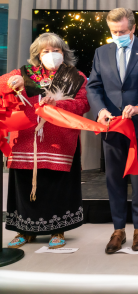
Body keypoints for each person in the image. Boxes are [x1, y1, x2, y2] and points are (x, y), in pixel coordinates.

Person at [87, 8, 138, 254]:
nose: (117, 35)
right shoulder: (102, 52)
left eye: (121, 31)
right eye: (113, 31)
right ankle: (118, 229)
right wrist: (99, 110)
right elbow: (94, 86)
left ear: (132, 28)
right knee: (114, 180)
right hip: (111, 127)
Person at [2, 33, 88, 249]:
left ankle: (57, 230)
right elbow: (3, 85)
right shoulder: (23, 72)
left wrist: (58, 105)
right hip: (25, 140)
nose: (51, 55)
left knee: (56, 184)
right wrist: (13, 83)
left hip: (60, 140)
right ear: (38, 55)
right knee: (23, 184)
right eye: (46, 51)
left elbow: (83, 105)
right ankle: (24, 230)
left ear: (64, 53)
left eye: (56, 50)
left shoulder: (75, 76)